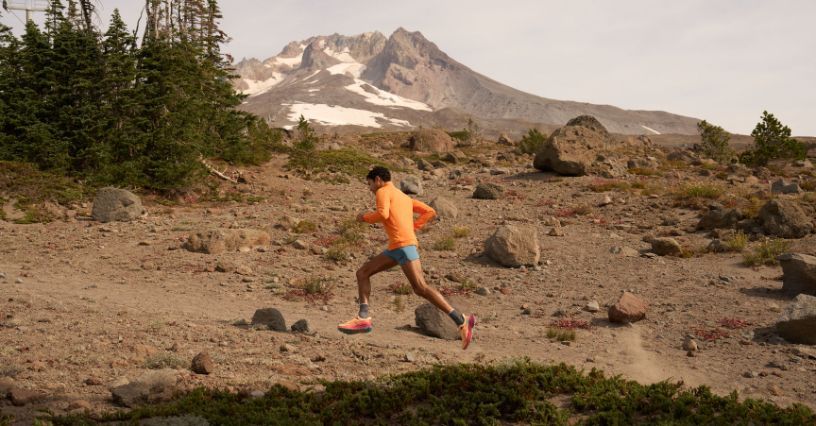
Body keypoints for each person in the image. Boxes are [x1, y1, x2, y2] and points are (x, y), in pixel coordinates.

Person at [337, 166, 476, 349]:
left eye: (370, 184)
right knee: (363, 273)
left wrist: (364, 217)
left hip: (402, 246)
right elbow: (430, 212)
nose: (370, 188)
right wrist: (414, 226)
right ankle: (363, 318)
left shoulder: (383, 191)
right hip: (398, 247)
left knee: (421, 287)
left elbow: (383, 214)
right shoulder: (403, 196)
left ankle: (461, 320)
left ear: (378, 180)